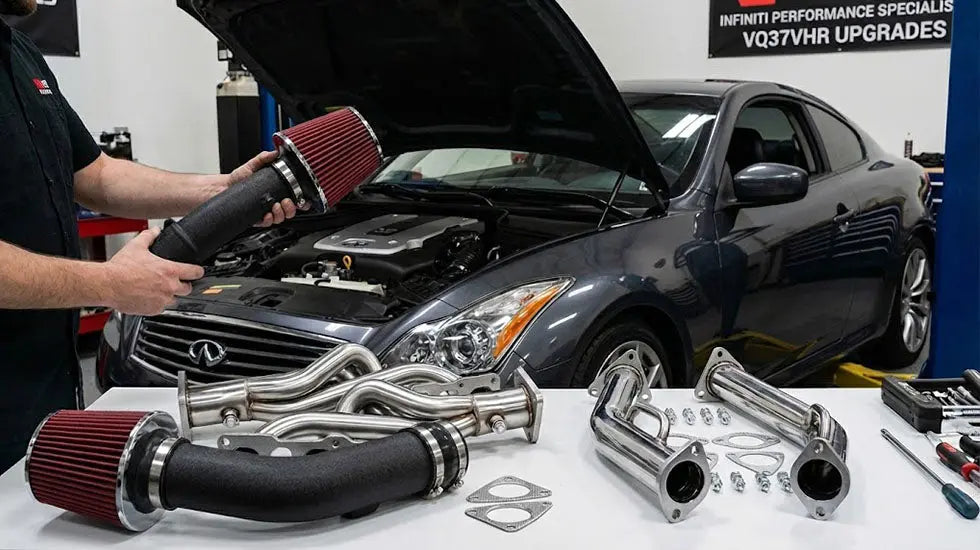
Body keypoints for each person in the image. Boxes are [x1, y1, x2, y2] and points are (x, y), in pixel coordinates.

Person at [0, 0, 298, 473]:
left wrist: (223, 191)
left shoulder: (20, 52)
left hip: (42, 389)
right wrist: (108, 284)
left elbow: (95, 174)